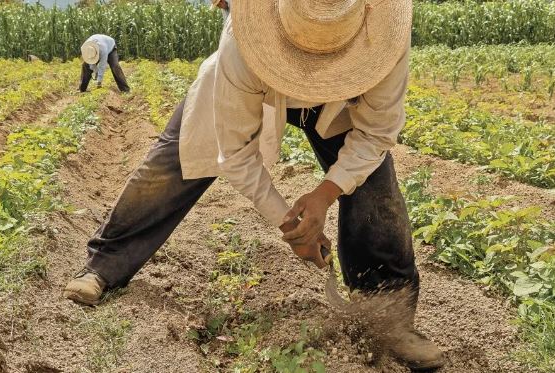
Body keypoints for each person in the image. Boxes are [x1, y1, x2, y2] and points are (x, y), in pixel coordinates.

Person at [65, 0, 444, 369]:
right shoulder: (244, 42)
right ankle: (104, 265)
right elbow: (235, 153)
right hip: (256, 80)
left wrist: (325, 194)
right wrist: (291, 225)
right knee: (173, 166)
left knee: (375, 193)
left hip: (342, 102)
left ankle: (390, 320)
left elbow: (376, 134)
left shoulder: (385, 30)